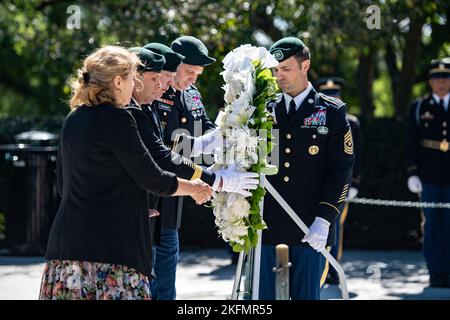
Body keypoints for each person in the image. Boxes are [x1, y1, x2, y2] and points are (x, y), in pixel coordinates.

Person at [39, 45, 212, 300]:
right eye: (133, 78)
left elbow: (66, 186)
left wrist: (132, 204)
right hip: (110, 256)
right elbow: (153, 178)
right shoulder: (118, 118)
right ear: (118, 81)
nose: (135, 86)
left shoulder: (74, 118)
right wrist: (196, 188)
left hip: (65, 254)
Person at [132, 42, 258, 299]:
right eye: (189, 71)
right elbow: (159, 148)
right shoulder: (152, 91)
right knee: (145, 280)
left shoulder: (191, 94)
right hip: (152, 192)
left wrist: (219, 136)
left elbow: (206, 124)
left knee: (166, 276)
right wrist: (210, 169)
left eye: (197, 75)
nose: (192, 79)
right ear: (173, 66)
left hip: (174, 198)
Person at [259, 37, 354, 300]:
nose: (279, 76)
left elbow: (341, 170)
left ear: (305, 66)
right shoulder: (264, 109)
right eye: (275, 70)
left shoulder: (331, 111)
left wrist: (325, 219)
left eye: (286, 69)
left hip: (310, 226)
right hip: (269, 224)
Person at [406, 59, 450, 288]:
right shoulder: (420, 107)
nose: (441, 82)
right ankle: (436, 272)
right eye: (436, 78)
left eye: (445, 78)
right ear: (430, 81)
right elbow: (410, 142)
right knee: (432, 224)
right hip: (429, 175)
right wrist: (412, 172)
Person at [315, 77, 363, 285]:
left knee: (335, 224)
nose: (331, 98)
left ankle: (334, 266)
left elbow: (357, 155)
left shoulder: (350, 121)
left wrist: (355, 182)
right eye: (327, 94)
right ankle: (319, 265)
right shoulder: (314, 118)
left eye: (335, 94)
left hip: (340, 184)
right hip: (317, 182)